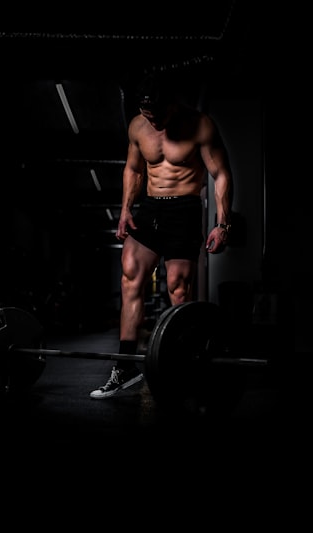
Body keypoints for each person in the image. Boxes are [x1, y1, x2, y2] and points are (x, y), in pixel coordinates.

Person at [90, 71, 234, 399]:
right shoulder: (138, 126)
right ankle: (125, 366)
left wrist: (223, 223)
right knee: (130, 276)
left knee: (178, 291)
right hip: (151, 208)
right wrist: (126, 209)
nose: (153, 121)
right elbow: (134, 169)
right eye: (146, 114)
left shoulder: (200, 125)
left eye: (159, 114)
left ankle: (186, 364)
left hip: (184, 209)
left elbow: (221, 173)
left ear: (173, 103)